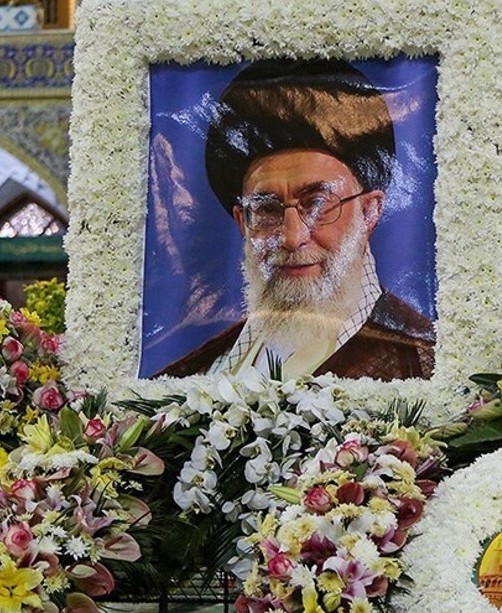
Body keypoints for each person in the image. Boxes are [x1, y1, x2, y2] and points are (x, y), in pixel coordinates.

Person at [152, 59, 435, 381]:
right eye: (267, 209)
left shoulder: (428, 368)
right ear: (243, 222)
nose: (291, 237)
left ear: (369, 211)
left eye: (317, 203)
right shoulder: (199, 374)